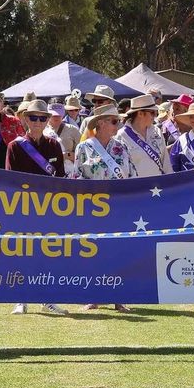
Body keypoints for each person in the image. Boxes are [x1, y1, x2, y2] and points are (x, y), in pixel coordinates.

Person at [6, 99, 68, 316]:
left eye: (42, 118)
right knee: (22, 253)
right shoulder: (15, 146)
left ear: (48, 120)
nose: (38, 122)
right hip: (23, 208)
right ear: (25, 119)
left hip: (48, 209)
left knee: (47, 253)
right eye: (33, 118)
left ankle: (47, 298)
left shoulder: (53, 145)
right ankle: (20, 299)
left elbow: (61, 178)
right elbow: (10, 181)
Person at [74, 103, 134, 312]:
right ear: (100, 124)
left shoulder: (122, 146)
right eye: (114, 121)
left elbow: (132, 174)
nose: (118, 124)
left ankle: (119, 297)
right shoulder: (84, 147)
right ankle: (93, 296)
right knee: (94, 253)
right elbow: (77, 176)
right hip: (94, 208)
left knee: (117, 252)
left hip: (118, 208)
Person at [122, 94, 169, 177]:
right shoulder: (121, 136)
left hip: (158, 187)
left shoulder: (157, 131)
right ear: (140, 113)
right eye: (152, 113)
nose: (155, 116)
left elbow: (166, 162)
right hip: (138, 188)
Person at [48, 103, 81, 176]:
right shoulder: (42, 130)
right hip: (48, 171)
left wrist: (67, 155)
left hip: (69, 172)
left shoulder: (73, 130)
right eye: (53, 115)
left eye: (59, 114)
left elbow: (82, 154)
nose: (56, 116)